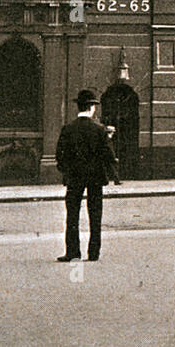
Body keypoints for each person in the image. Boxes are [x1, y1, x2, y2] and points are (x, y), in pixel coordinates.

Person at [55, 89, 119, 262]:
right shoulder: (99, 130)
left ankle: (73, 252)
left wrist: (67, 170)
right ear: (92, 107)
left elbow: (59, 156)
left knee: (72, 215)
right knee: (95, 214)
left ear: (78, 107)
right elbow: (109, 155)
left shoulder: (68, 129)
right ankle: (93, 253)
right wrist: (109, 139)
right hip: (95, 177)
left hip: (74, 177)